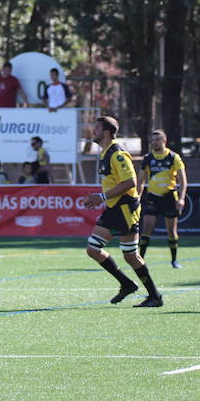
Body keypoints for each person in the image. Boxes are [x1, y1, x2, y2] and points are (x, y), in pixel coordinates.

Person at [83, 116, 163, 307]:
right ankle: (126, 284)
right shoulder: (105, 153)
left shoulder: (118, 153)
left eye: (97, 128)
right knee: (93, 249)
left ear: (107, 132)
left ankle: (155, 296)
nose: (93, 131)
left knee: (130, 255)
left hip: (126, 208)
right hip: (113, 209)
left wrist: (101, 197)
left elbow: (130, 182)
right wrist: (103, 198)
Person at [137, 130, 188, 268]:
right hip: (152, 197)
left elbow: (183, 180)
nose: (154, 143)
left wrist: (181, 198)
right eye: (153, 141)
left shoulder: (173, 157)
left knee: (171, 230)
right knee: (146, 228)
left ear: (164, 141)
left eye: (157, 140)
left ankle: (174, 260)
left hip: (169, 197)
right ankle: (140, 260)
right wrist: (137, 198)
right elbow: (140, 180)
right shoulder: (148, 158)